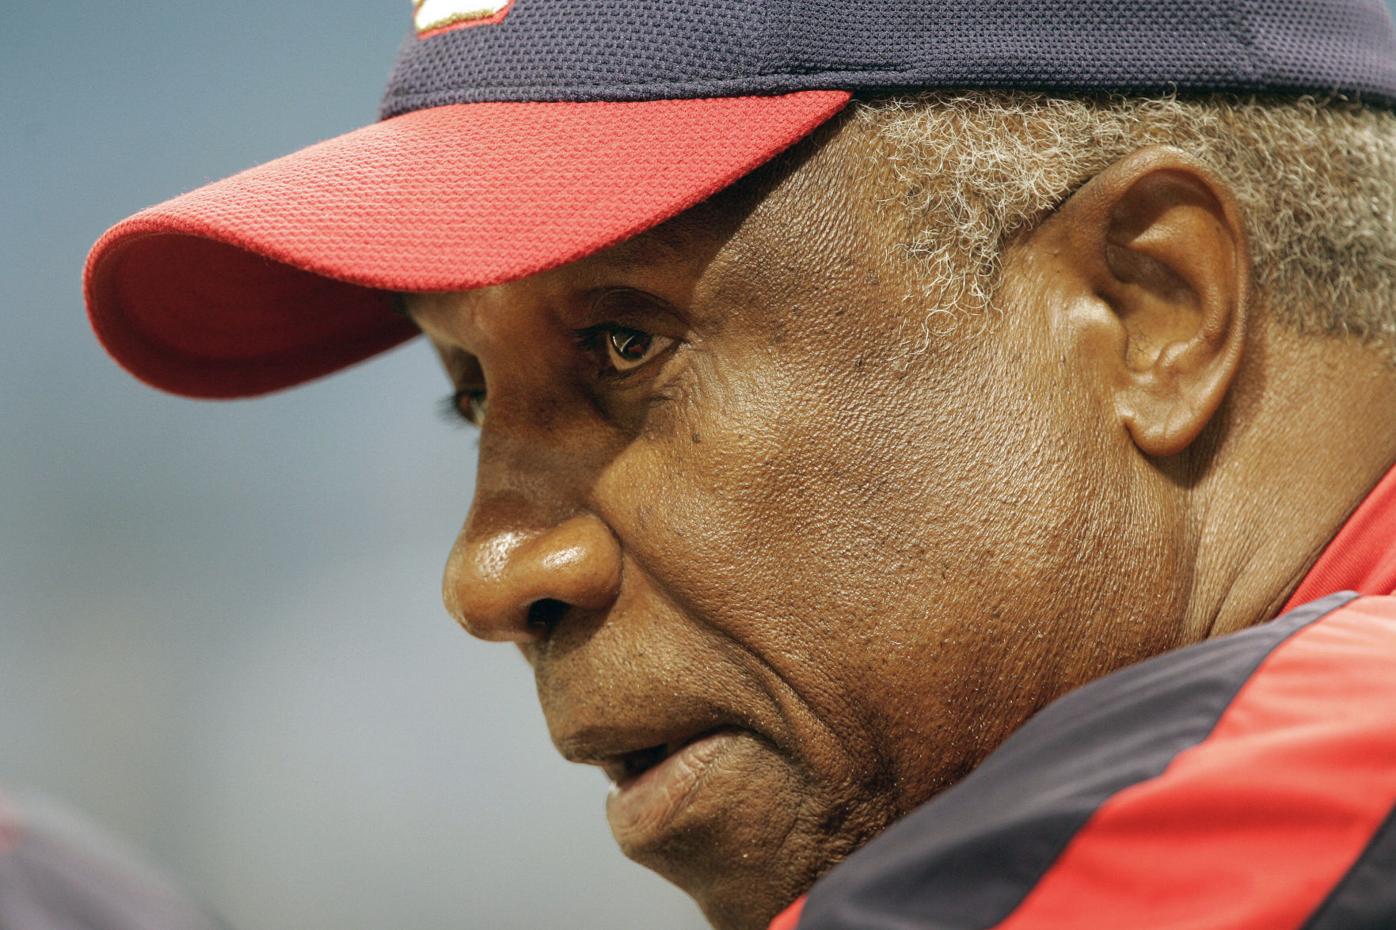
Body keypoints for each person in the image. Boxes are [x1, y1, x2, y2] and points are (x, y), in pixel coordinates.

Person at [83, 2, 1396, 929]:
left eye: (623, 341)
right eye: (466, 394)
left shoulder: (1291, 788)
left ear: (1153, 310)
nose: (490, 574)